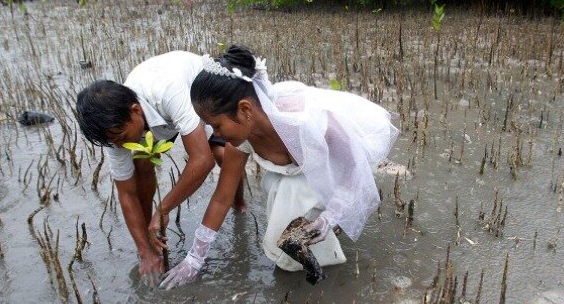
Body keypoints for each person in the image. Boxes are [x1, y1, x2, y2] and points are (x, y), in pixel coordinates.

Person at [159, 46, 399, 289]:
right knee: (278, 191)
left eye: (217, 125)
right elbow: (222, 198)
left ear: (244, 110)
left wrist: (330, 217)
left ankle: (325, 251)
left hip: (335, 167)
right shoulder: (239, 142)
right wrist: (194, 259)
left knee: (292, 194)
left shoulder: (307, 124)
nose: (215, 135)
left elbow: (355, 170)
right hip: (297, 173)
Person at [76, 51, 246, 284]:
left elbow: (202, 161)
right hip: (157, 116)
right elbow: (126, 193)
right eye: (114, 142)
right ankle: (150, 236)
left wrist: (164, 209)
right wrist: (145, 250)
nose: (121, 145)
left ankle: (239, 204)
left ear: (135, 111)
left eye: (122, 137)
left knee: (221, 154)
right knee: (142, 163)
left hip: (197, 92)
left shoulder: (168, 91)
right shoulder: (113, 131)